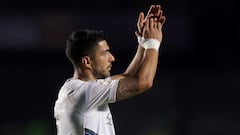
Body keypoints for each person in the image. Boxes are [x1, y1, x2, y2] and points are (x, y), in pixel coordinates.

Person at [54, 4, 166, 135]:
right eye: (105, 53)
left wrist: (143, 42)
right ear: (87, 62)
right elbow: (144, 82)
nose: (112, 58)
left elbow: (129, 75)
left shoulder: (81, 90)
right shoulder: (82, 93)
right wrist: (153, 43)